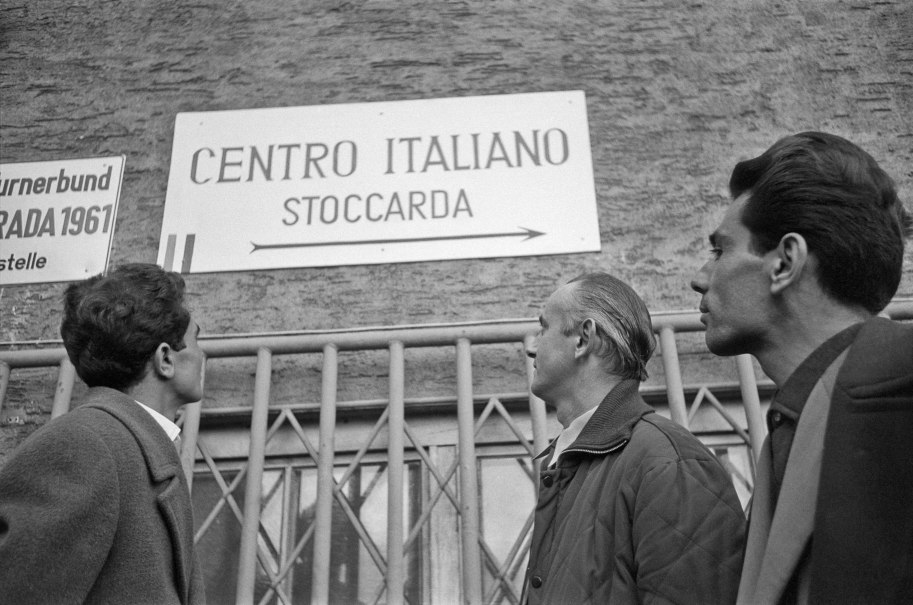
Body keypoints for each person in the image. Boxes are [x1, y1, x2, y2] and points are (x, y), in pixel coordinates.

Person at [691, 131, 913, 605]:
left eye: (720, 250)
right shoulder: (797, 422)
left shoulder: (898, 404)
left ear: (785, 261)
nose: (700, 278)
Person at [522, 271, 745, 604]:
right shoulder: (577, 460)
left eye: (544, 328)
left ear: (584, 338)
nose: (531, 347)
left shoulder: (669, 463)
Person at [0, 263, 206, 604]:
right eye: (197, 340)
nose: (202, 355)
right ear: (165, 359)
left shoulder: (129, 447)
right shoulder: (84, 445)